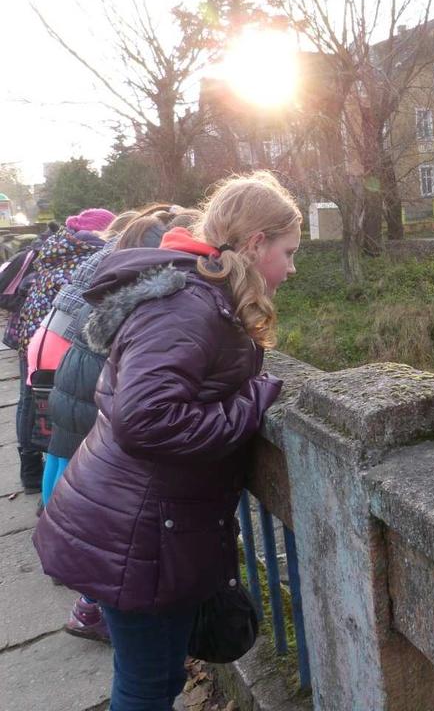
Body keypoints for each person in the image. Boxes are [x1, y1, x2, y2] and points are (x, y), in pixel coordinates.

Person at [34, 172, 300, 711]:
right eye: (289, 252)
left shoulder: (197, 295)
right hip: (138, 534)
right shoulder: (188, 306)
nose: (292, 268)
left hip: (139, 525)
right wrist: (253, 400)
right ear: (255, 244)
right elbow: (145, 419)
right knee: (147, 687)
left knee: (153, 679)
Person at [44, 207, 202, 642]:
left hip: (72, 368)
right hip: (86, 378)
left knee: (75, 476)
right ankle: (90, 604)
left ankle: (80, 582)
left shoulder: (121, 261)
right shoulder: (156, 277)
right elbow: (140, 415)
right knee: (108, 494)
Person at [6, 209, 114, 493]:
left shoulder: (55, 250)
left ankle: (31, 473)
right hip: (59, 344)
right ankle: (56, 487)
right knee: (59, 423)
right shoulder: (88, 257)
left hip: (34, 337)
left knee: (28, 404)